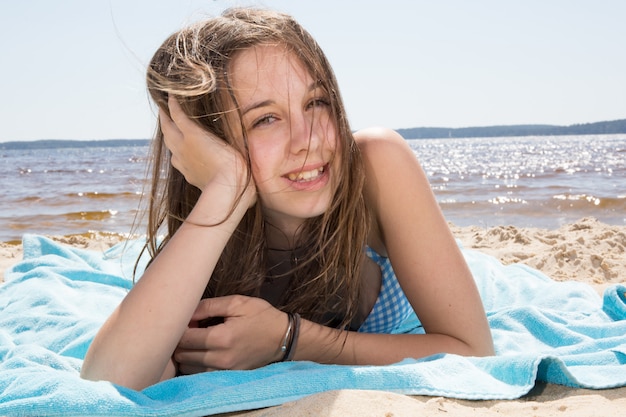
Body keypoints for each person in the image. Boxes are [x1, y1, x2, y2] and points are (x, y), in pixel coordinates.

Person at [81, 7, 494, 390]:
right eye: (265, 119)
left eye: (316, 102)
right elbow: (108, 383)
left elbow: (473, 351)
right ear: (207, 143)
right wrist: (227, 190)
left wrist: (290, 338)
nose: (308, 140)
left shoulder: (375, 164)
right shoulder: (203, 246)